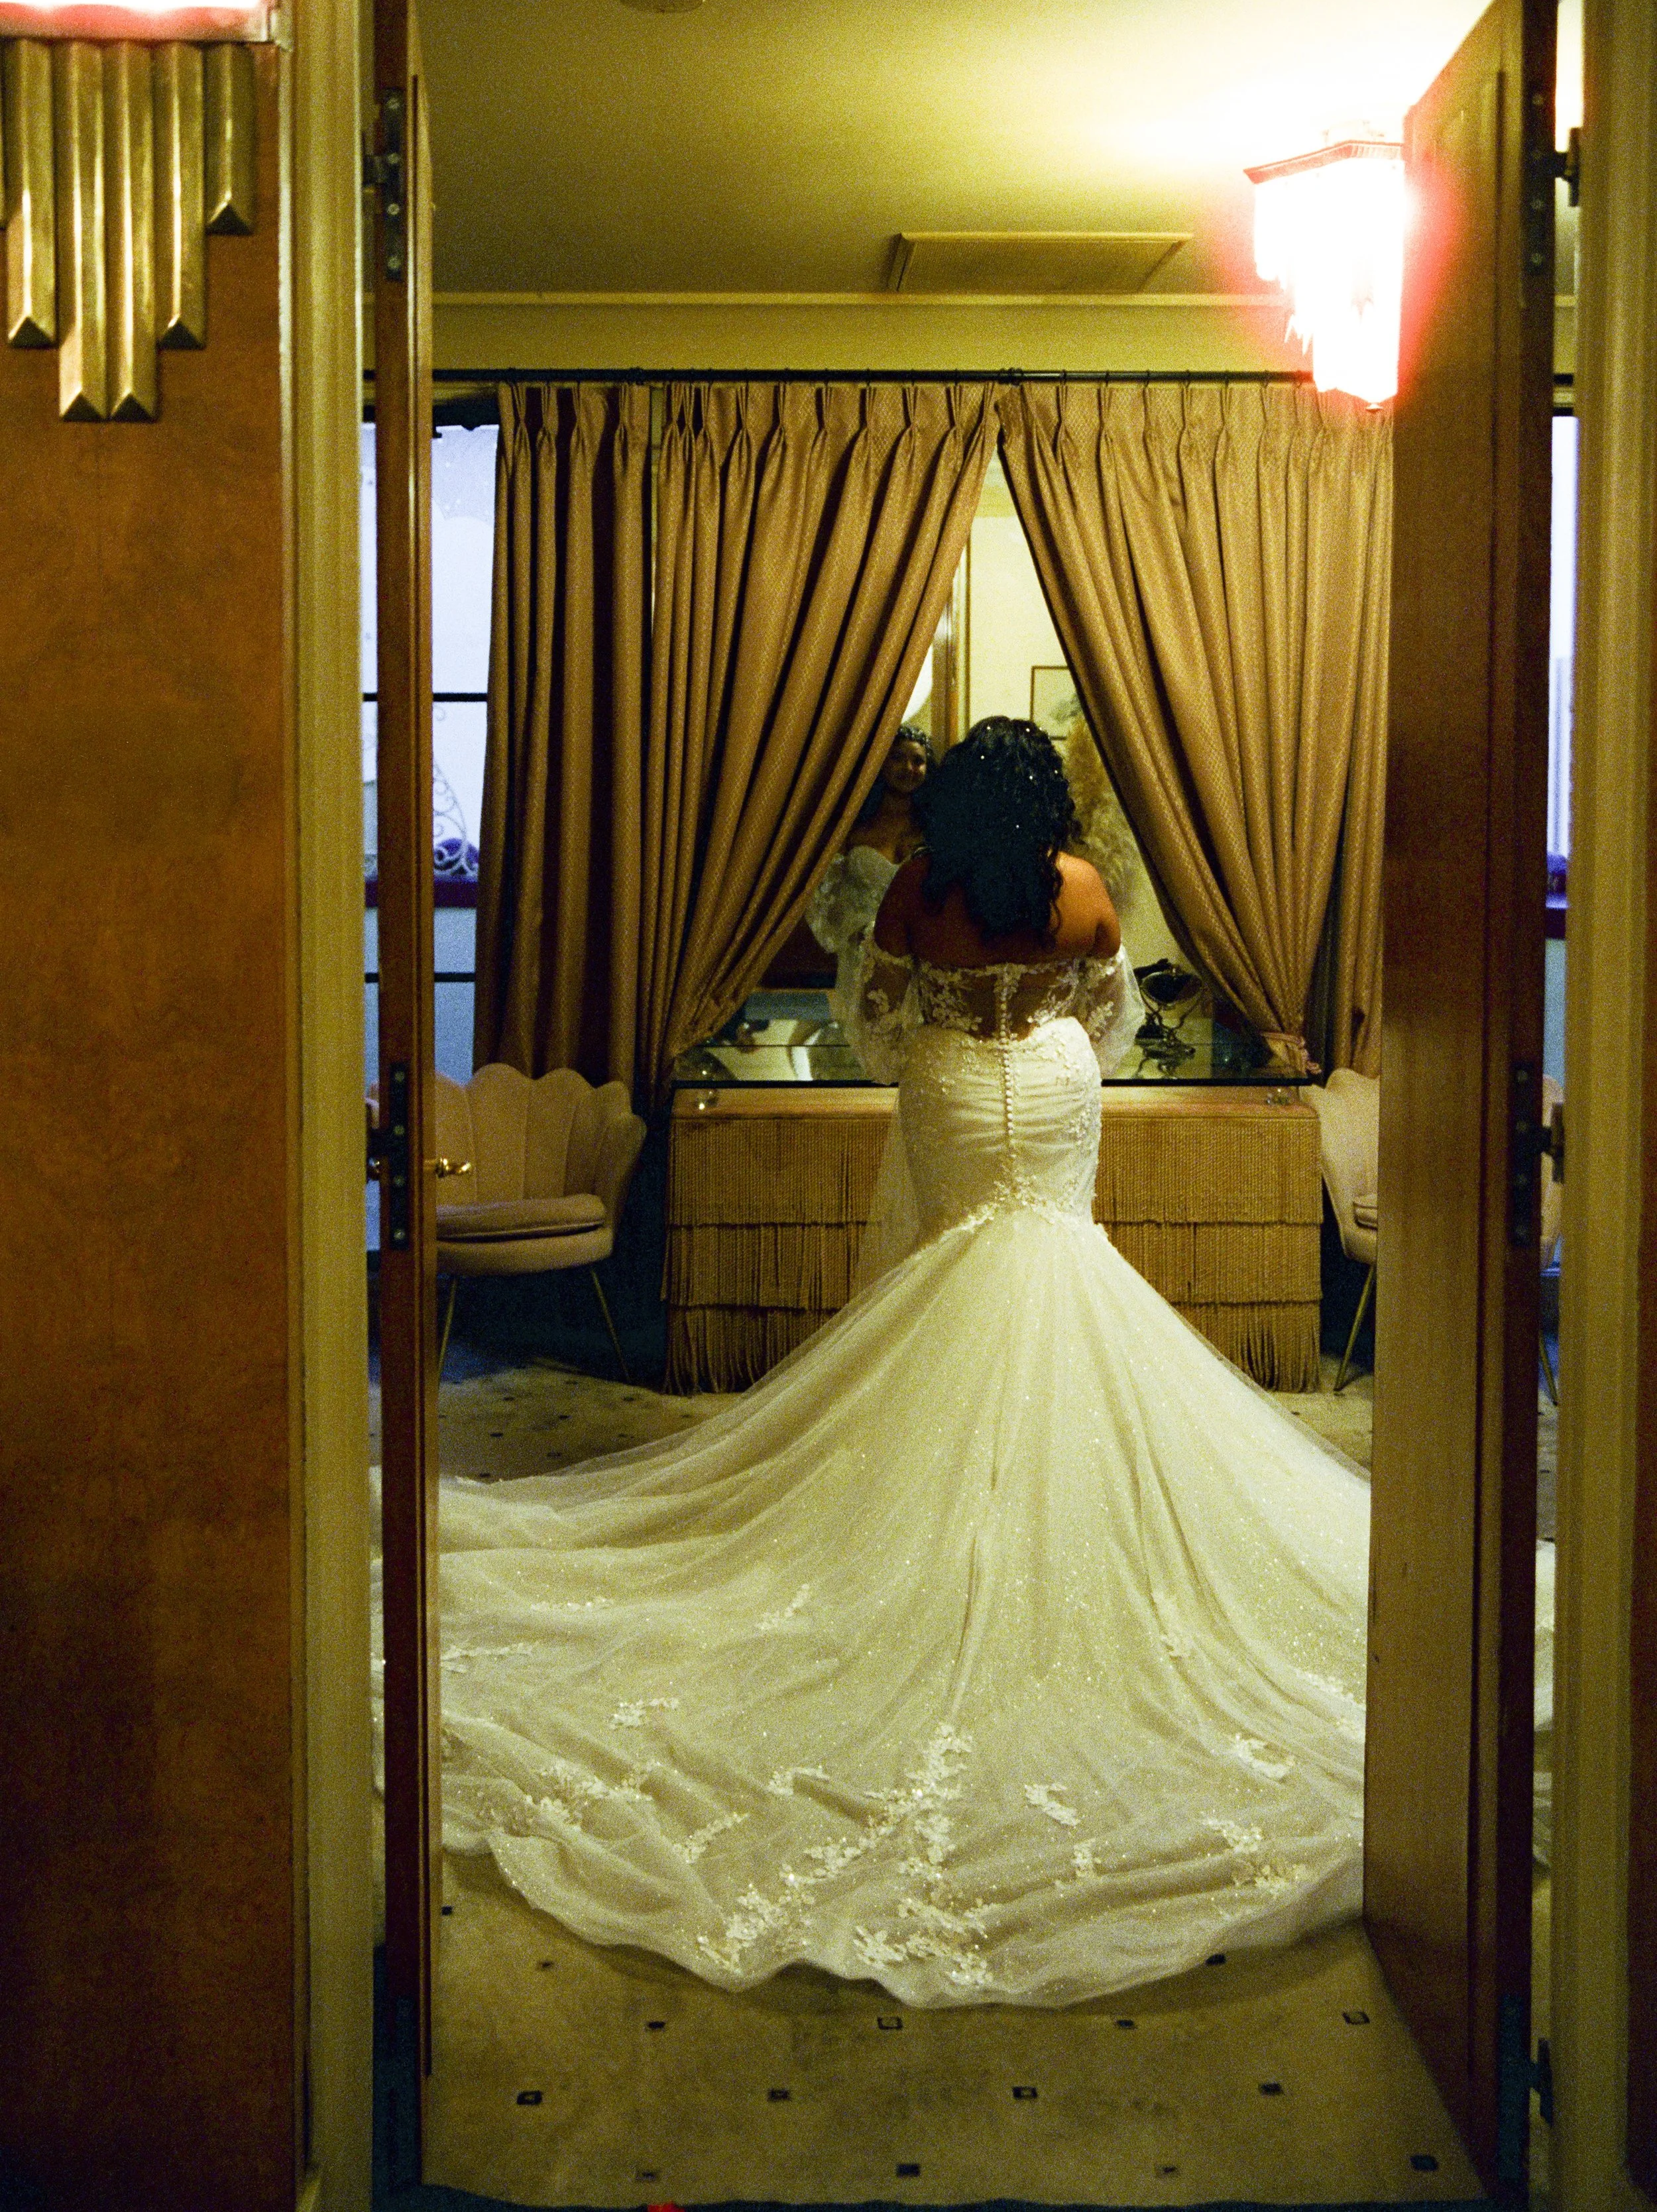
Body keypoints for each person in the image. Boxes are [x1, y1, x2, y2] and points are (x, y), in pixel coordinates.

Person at [384, 718, 1552, 2009]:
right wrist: (1047, 1043)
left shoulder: (915, 893)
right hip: (1052, 1087)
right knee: (1053, 1261)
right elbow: (1106, 1015)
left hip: (946, 1085)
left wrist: (952, 1038)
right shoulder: (1082, 892)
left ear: (946, 806)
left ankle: (925, 1528)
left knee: (947, 1280)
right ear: (1045, 798)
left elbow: (873, 1027)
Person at [804, 724, 931, 1026]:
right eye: (898, 758)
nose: (909, 768)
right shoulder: (853, 826)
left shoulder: (936, 829)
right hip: (863, 956)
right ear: (880, 763)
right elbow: (823, 895)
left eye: (918, 761)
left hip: (923, 956)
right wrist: (856, 930)